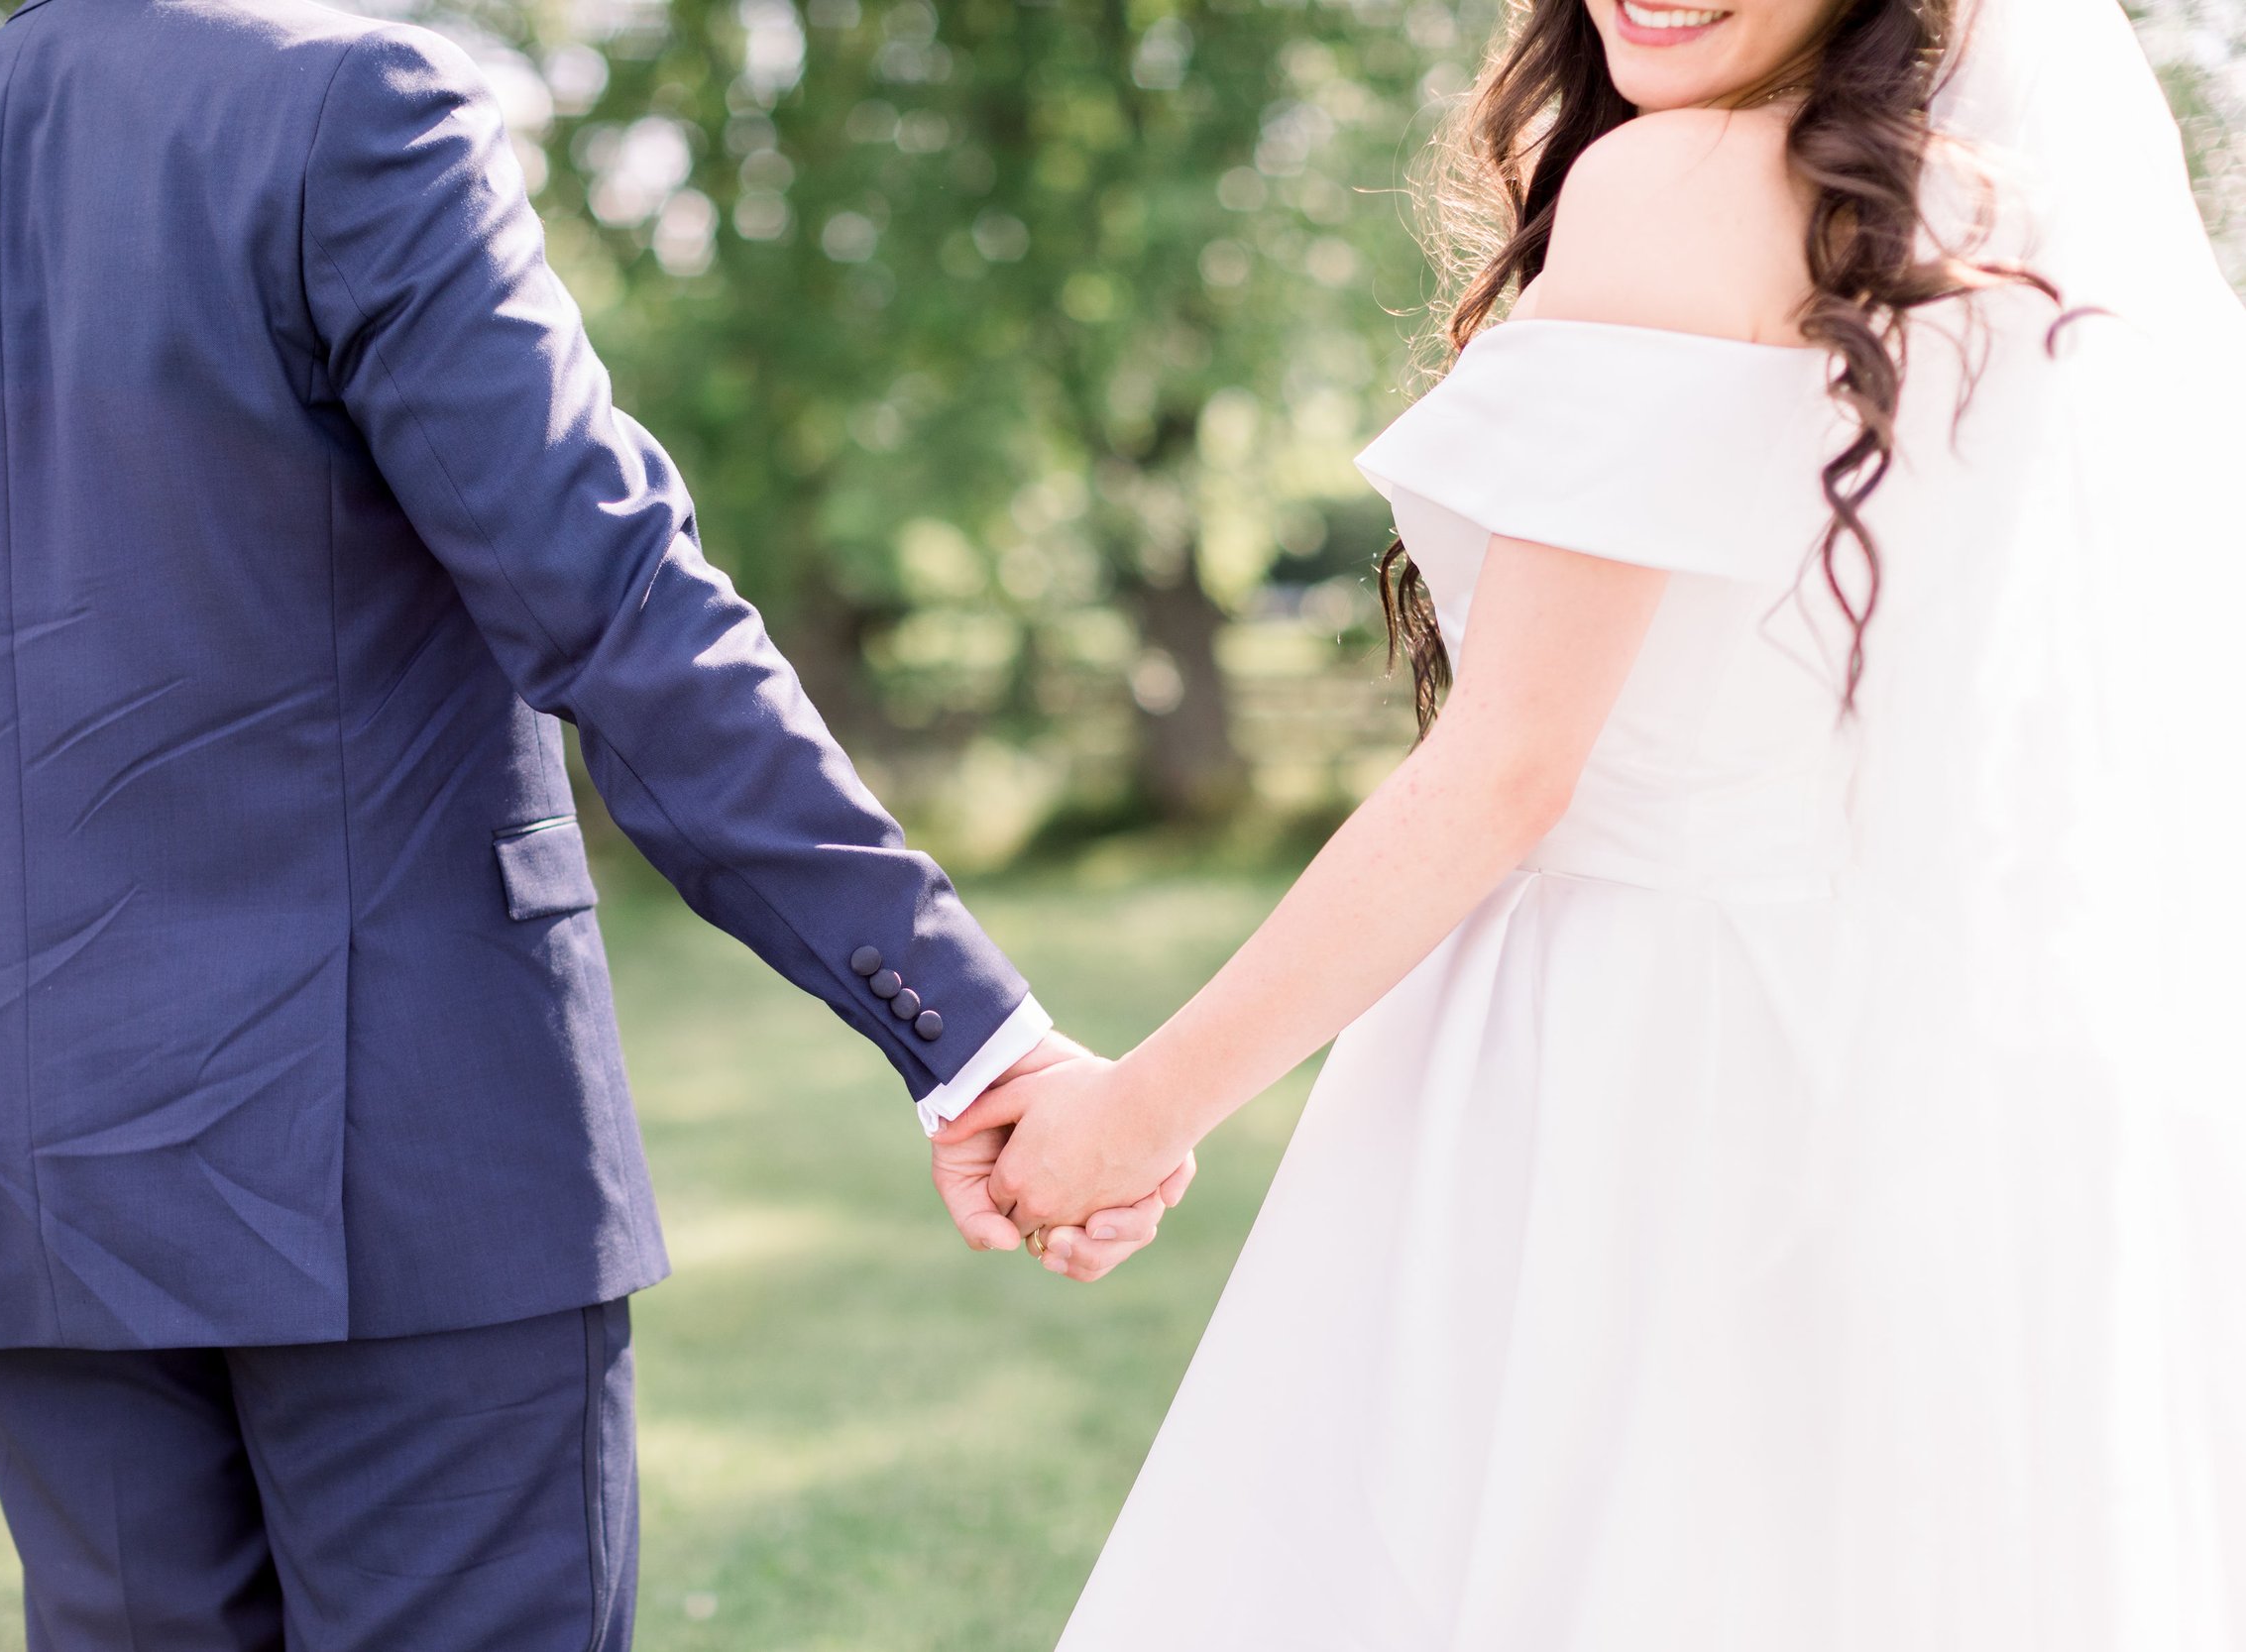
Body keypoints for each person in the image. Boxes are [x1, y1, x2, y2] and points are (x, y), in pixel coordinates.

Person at [0, 0, 1185, 1646]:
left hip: (24, 1178)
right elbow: (616, 604)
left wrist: (4, 1087)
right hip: (398, 1165)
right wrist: (971, 1030)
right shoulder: (350, 107)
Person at [947, 0, 2246, 1642]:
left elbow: (1505, 772)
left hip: (1628, 1052)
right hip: (1880, 1046)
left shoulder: (1673, 187)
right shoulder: (1981, 218)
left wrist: (1138, 1111)